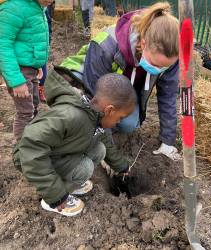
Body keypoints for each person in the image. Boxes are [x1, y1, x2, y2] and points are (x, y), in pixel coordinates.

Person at [58, 2, 181, 162]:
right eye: (155, 64)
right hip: (85, 82)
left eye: (163, 67)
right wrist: (108, 155)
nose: (158, 70)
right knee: (80, 112)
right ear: (143, 43)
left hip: (123, 89)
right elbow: (95, 100)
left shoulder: (171, 56)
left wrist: (167, 141)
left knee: (128, 124)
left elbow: (168, 97)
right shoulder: (105, 47)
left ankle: (110, 127)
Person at [14, 71, 136, 216]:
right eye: (120, 118)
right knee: (85, 168)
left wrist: (120, 166)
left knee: (99, 149)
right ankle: (53, 199)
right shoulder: (71, 116)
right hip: (28, 157)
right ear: (109, 110)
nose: (119, 122)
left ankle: (71, 182)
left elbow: (104, 140)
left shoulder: (94, 115)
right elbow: (30, 145)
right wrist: (55, 194)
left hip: (57, 152)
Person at [0, 0, 52, 141]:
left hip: (31, 69)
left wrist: (38, 64)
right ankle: (23, 153)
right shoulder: (13, 8)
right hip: (19, 71)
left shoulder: (37, 6)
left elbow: (31, 39)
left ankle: (32, 142)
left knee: (34, 105)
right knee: (25, 112)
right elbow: (3, 46)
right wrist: (16, 81)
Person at [39, 2, 55, 103]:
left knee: (43, 69)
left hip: (42, 44)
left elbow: (48, 25)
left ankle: (41, 88)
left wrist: (47, 39)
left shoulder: (45, 9)